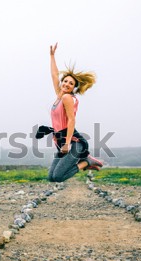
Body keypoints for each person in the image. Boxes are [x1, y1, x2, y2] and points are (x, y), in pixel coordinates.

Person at [40, 42, 103, 182]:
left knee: (58, 176)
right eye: (66, 81)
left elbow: (71, 120)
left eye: (71, 84)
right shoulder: (59, 96)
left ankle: (86, 162)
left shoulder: (67, 97)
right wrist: (52, 56)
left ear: (73, 88)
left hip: (74, 142)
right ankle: (85, 161)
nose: (67, 84)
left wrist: (67, 143)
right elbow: (54, 75)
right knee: (51, 177)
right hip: (61, 141)